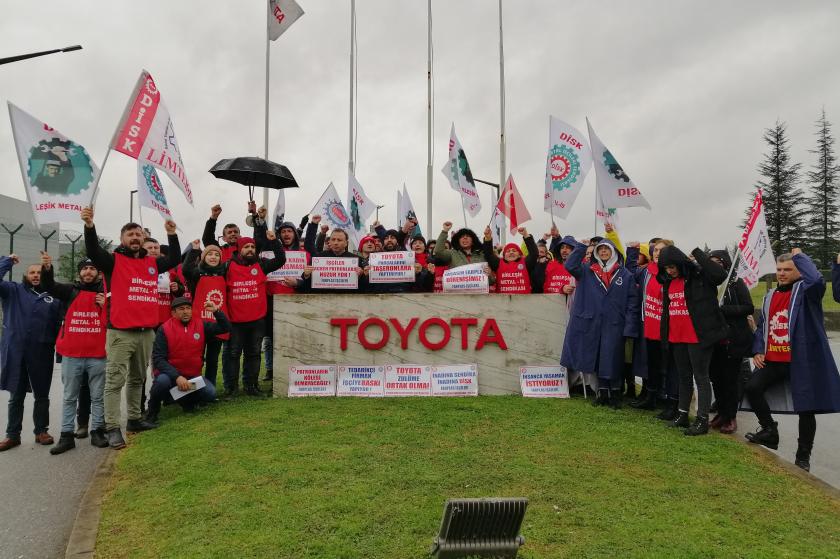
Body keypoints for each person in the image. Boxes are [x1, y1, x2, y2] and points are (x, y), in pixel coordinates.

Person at [82, 206, 181, 449]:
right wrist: (89, 226)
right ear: (122, 239)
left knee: (138, 379)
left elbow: (175, 259)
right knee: (115, 381)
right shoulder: (112, 262)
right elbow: (93, 250)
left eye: (138, 234)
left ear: (143, 239)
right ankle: (113, 427)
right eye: (130, 235)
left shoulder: (151, 263)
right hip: (120, 332)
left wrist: (172, 234)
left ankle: (134, 419)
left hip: (146, 332)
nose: (135, 238)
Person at [746, 250, 840, 471]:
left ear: (798, 271)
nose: (782, 274)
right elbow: (763, 327)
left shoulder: (807, 293)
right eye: (779, 270)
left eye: (788, 269)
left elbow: (816, 279)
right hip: (775, 360)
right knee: (752, 388)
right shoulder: (770, 296)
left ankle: (803, 455)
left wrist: (800, 256)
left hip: (801, 361)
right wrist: (758, 349)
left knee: (806, 409)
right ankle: (770, 430)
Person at [41, 256, 110, 453]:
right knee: (70, 396)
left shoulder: (106, 293)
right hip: (72, 354)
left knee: (98, 396)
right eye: (85, 269)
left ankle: (97, 431)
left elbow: (115, 318)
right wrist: (47, 268)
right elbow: (48, 285)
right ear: (79, 272)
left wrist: (106, 304)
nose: (88, 272)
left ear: (98, 273)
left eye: (92, 268)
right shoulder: (69, 290)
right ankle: (66, 435)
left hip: (98, 354)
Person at [656, 245, 728, 436]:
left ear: (680, 263)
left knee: (701, 377)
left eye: (672, 267)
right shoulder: (668, 282)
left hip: (699, 336)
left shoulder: (699, 275)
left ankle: (702, 419)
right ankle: (682, 414)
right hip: (677, 336)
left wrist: (697, 253)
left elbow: (719, 275)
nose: (670, 271)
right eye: (666, 268)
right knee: (683, 376)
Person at [560, 239, 640, 408]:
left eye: (607, 249)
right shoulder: (587, 271)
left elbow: (633, 303)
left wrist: (630, 327)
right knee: (598, 358)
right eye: (600, 249)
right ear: (596, 252)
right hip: (592, 323)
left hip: (615, 324)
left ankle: (616, 394)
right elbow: (570, 266)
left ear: (614, 252)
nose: (603, 251)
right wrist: (581, 247)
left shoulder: (624, 274)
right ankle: (602, 393)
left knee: (614, 359)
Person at [0, 253, 63, 451]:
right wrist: (7, 261)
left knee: (41, 395)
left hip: (41, 352)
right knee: (16, 395)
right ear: (25, 275)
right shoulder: (13, 291)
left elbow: (61, 327)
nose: (35, 275)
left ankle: (41, 431)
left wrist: (59, 351)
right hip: (15, 351)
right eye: (32, 272)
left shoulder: (54, 298)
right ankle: (12, 435)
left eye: (39, 272)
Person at [147, 297, 230, 423]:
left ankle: (183, 400)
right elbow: (158, 359)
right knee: (161, 382)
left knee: (210, 392)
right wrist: (177, 377)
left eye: (188, 308)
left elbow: (225, 328)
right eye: (181, 309)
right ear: (173, 313)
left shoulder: (201, 325)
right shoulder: (163, 329)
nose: (185, 312)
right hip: (171, 378)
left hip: (192, 378)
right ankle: (153, 412)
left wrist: (216, 311)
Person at [225, 233, 285, 397]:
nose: (250, 250)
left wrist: (273, 241)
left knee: (254, 354)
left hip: (257, 319)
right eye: (246, 247)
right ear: (239, 249)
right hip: (235, 320)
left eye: (252, 247)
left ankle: (251, 385)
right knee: (233, 354)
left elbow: (280, 260)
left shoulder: (261, 264)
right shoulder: (227, 266)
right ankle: (232, 388)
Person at [708, 250, 754, 434]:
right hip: (713, 340)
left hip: (732, 340)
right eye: (711, 262)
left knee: (729, 380)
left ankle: (731, 416)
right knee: (716, 379)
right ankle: (721, 412)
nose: (714, 265)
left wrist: (724, 310)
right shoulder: (707, 283)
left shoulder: (735, 283)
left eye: (718, 262)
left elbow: (748, 307)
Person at [182, 242, 228, 388]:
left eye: (216, 255)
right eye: (209, 254)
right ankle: (194, 390)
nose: (213, 257)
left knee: (213, 360)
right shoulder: (197, 273)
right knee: (197, 360)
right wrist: (195, 250)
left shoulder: (224, 273)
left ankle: (210, 389)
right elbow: (186, 269)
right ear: (203, 257)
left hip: (217, 324)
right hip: (199, 323)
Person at [482, 226, 538, 293]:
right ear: (504, 255)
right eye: (508, 251)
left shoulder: (526, 263)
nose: (511, 252)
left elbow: (534, 254)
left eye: (514, 251)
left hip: (523, 301)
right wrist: (488, 238)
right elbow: (488, 254)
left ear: (519, 254)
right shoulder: (498, 263)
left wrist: (526, 235)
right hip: (503, 302)